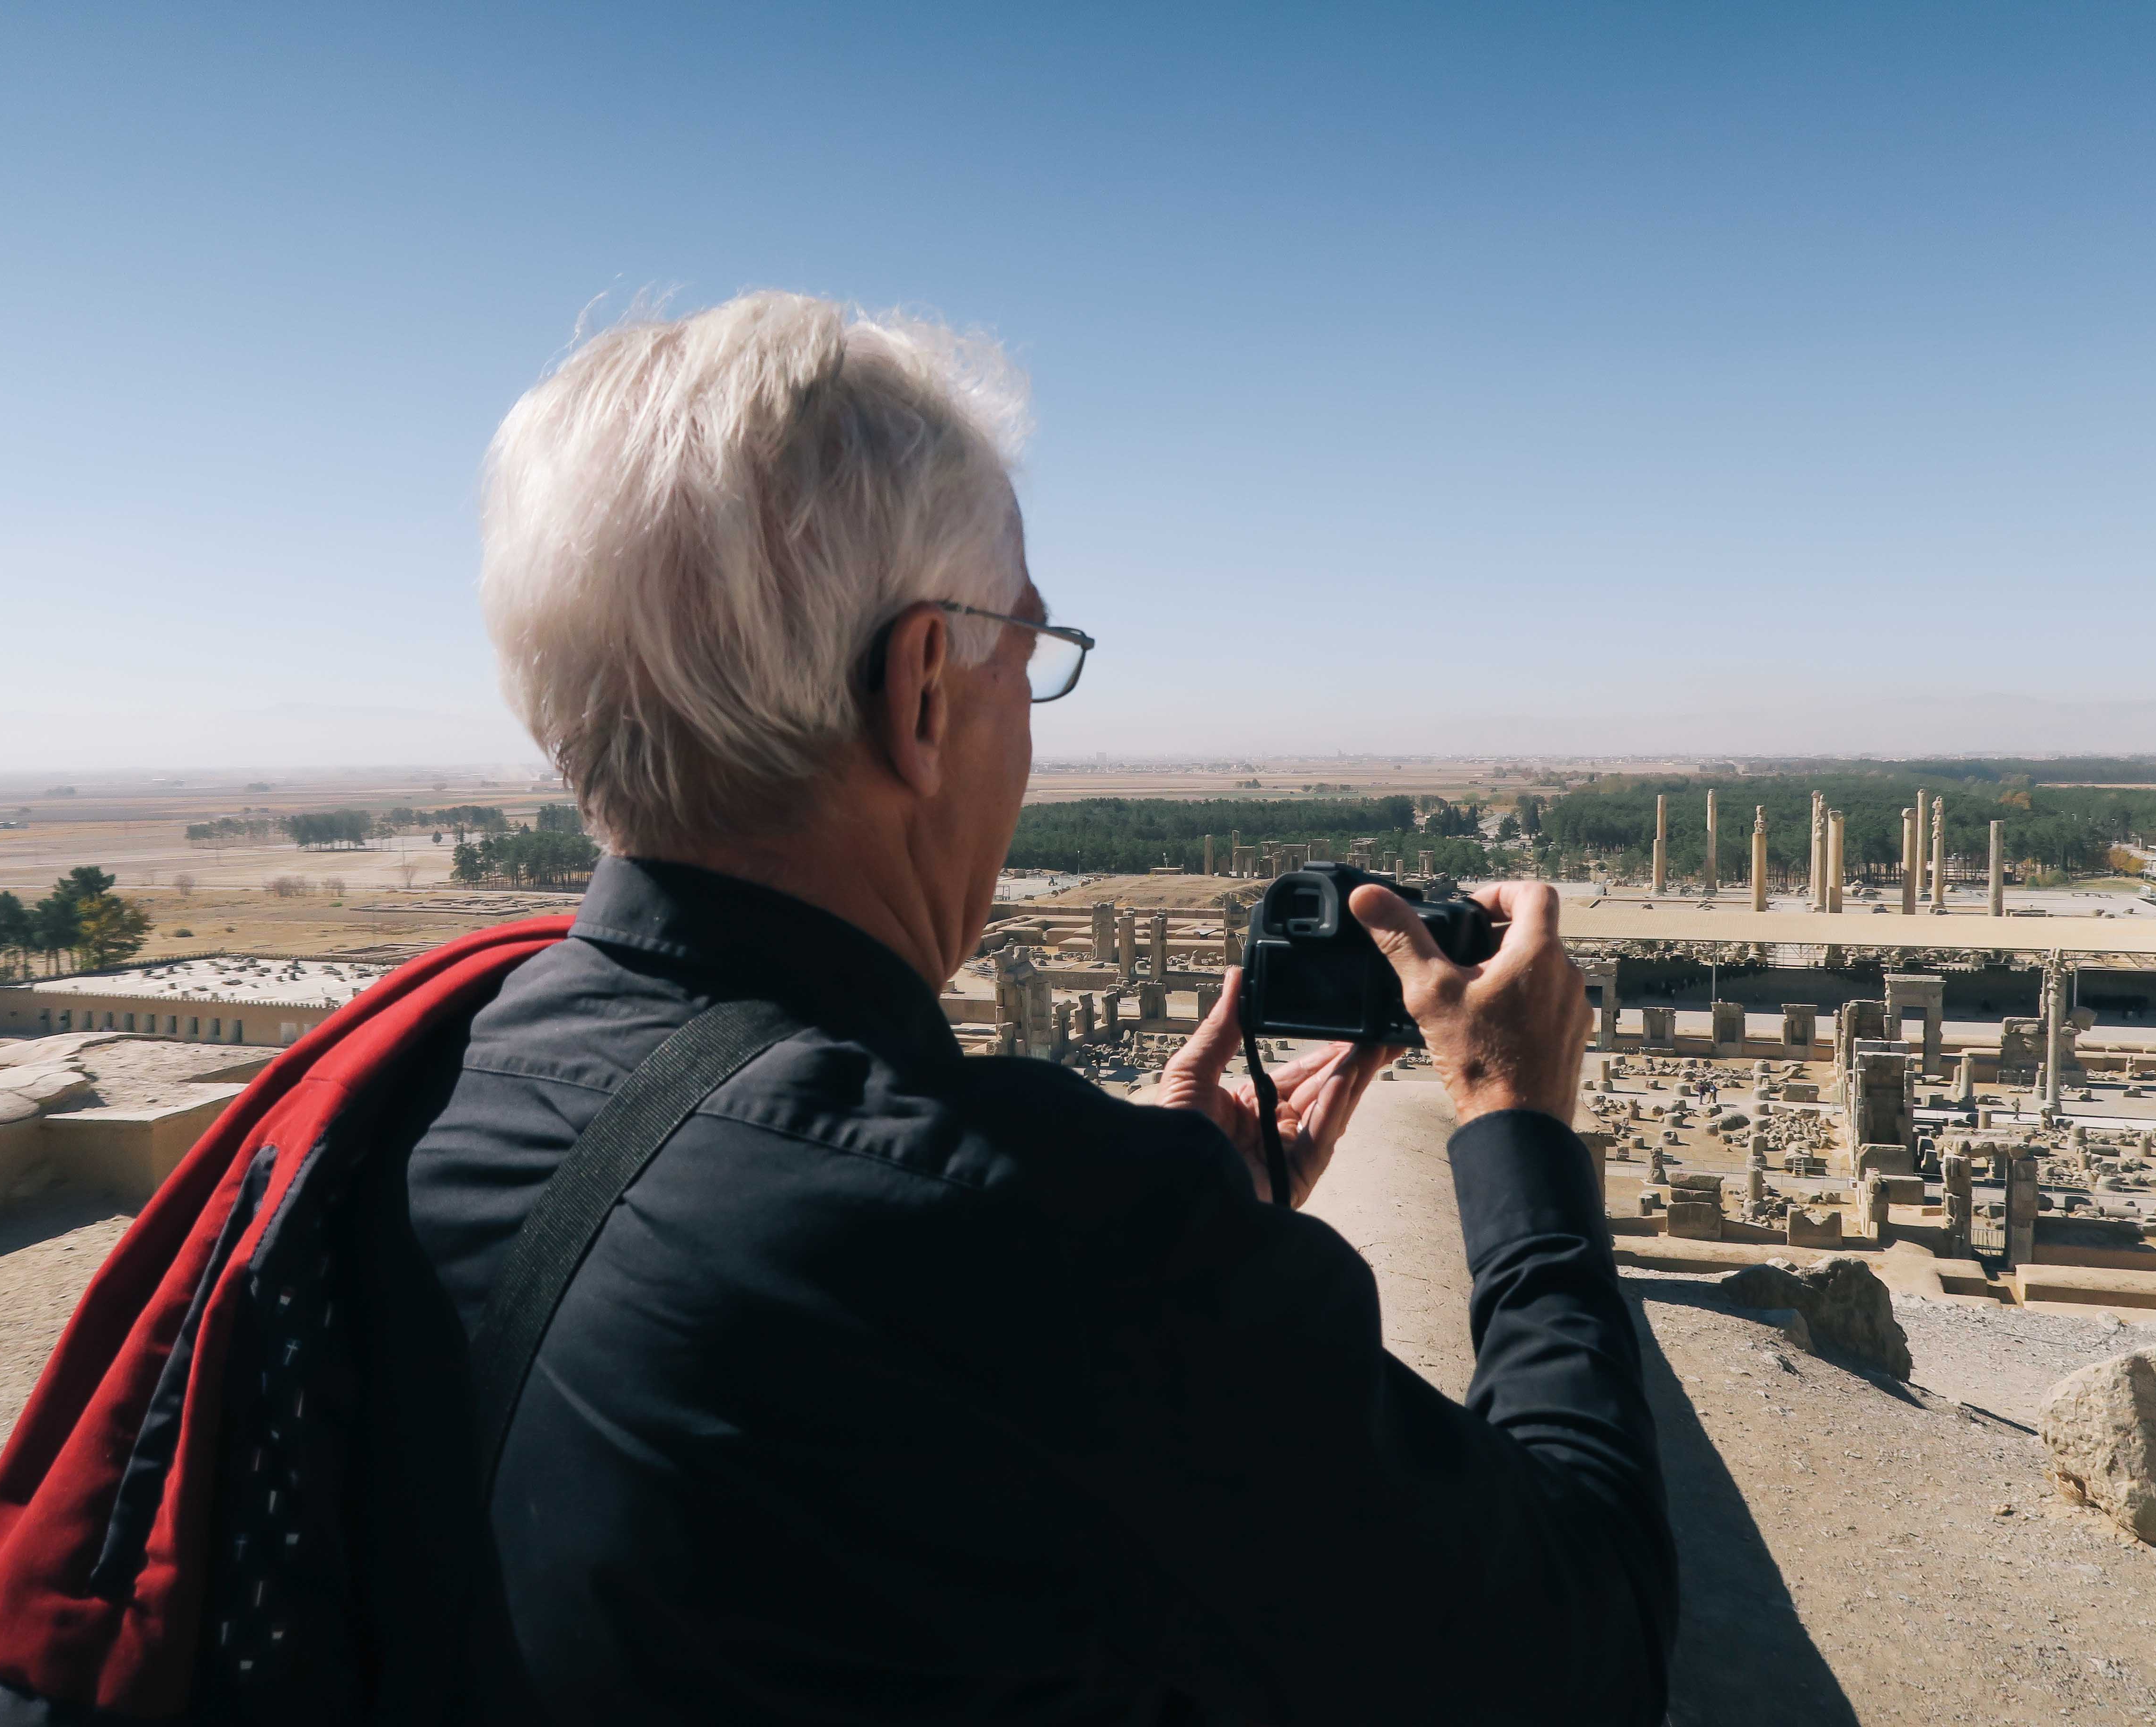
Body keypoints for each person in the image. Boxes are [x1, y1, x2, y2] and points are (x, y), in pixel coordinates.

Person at [230, 295, 1673, 1723]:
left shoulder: (405, 1092)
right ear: (923, 688)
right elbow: (1582, 1633)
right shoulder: (1030, 1238)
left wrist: (1168, 1211)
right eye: (1026, 657)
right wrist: (1514, 1127)